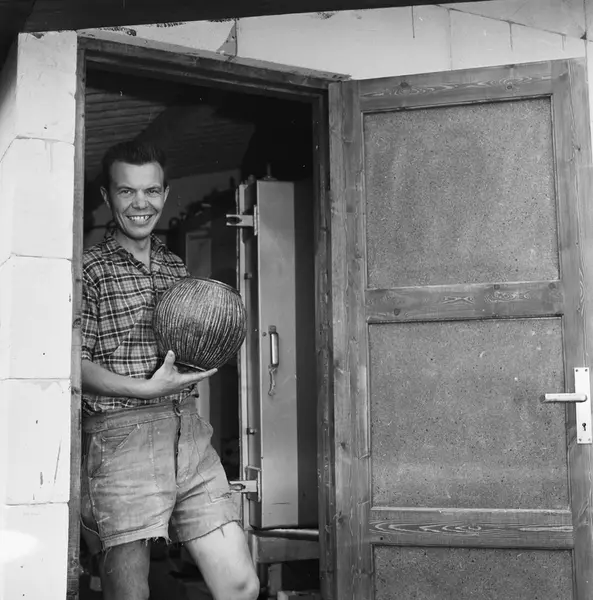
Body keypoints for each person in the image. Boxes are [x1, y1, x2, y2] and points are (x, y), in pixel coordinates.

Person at [80, 140, 260, 600]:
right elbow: (73, 367)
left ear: (165, 193)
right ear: (107, 196)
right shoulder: (89, 270)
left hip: (188, 433)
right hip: (121, 440)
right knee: (130, 595)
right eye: (126, 191)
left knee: (240, 585)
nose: (140, 203)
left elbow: (188, 346)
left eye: (151, 191)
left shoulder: (173, 265)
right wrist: (146, 390)